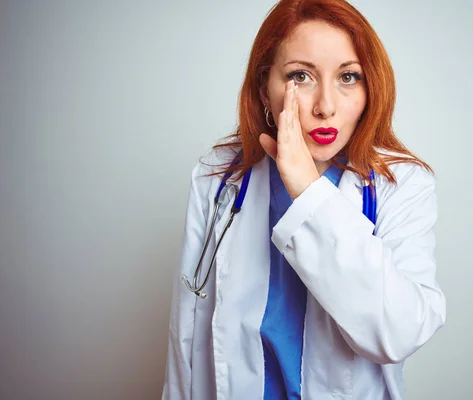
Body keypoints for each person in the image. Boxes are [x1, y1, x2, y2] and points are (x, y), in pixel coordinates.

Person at [162, 0, 446, 399]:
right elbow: (185, 336)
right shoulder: (219, 178)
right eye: (301, 76)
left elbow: (397, 334)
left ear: (371, 87)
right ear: (265, 86)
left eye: (348, 77)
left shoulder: (402, 184)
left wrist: (308, 191)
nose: (325, 106)